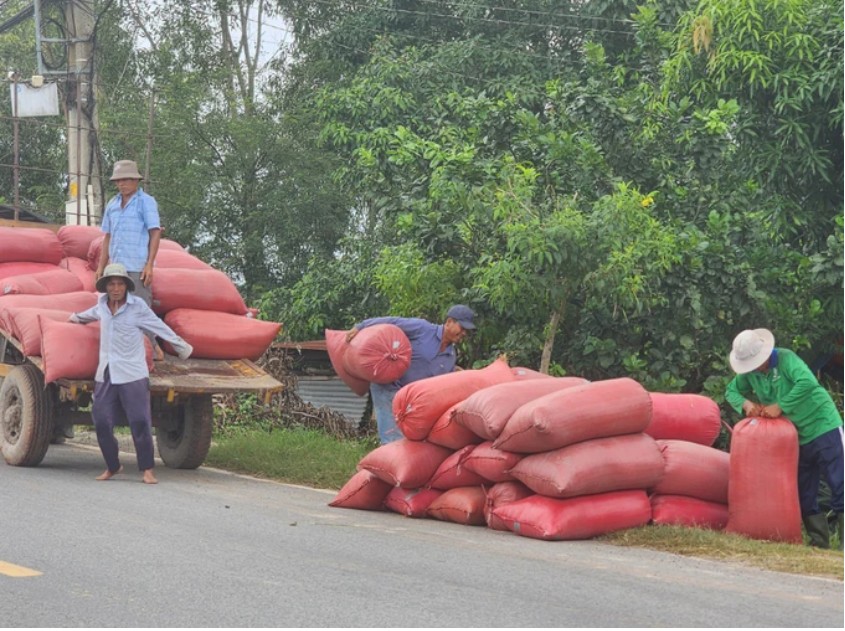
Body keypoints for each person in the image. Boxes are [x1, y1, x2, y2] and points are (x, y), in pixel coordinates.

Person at [69, 263, 193, 484]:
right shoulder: (102, 304)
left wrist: (183, 348)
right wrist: (73, 318)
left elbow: (158, 327)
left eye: (119, 284)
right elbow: (88, 315)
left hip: (133, 373)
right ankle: (113, 466)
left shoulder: (138, 307)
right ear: (106, 287)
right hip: (106, 372)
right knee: (101, 420)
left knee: (139, 420)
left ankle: (147, 468)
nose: (116, 288)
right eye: (111, 284)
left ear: (126, 286)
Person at [725, 328, 844, 548]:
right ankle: (818, 542)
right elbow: (731, 391)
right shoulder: (750, 373)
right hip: (797, 436)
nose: (754, 368)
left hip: (823, 425)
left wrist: (781, 406)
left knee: (840, 482)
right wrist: (746, 404)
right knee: (804, 489)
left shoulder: (786, 358)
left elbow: (807, 383)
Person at [346, 304, 476, 444]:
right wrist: (361, 326)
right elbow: (392, 322)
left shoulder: (450, 356)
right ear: (449, 322)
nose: (464, 333)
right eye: (462, 328)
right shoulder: (423, 329)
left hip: (410, 400)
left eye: (467, 331)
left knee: (408, 442)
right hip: (389, 388)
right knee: (392, 440)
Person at [96, 159, 164, 360]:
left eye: (125, 180)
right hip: (117, 268)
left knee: (140, 308)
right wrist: (101, 267)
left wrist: (149, 264)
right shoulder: (112, 204)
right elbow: (107, 237)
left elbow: (155, 233)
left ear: (136, 180)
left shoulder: (146, 202)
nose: (121, 184)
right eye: (118, 181)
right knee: (118, 309)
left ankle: (153, 349)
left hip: (137, 265)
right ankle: (129, 350)